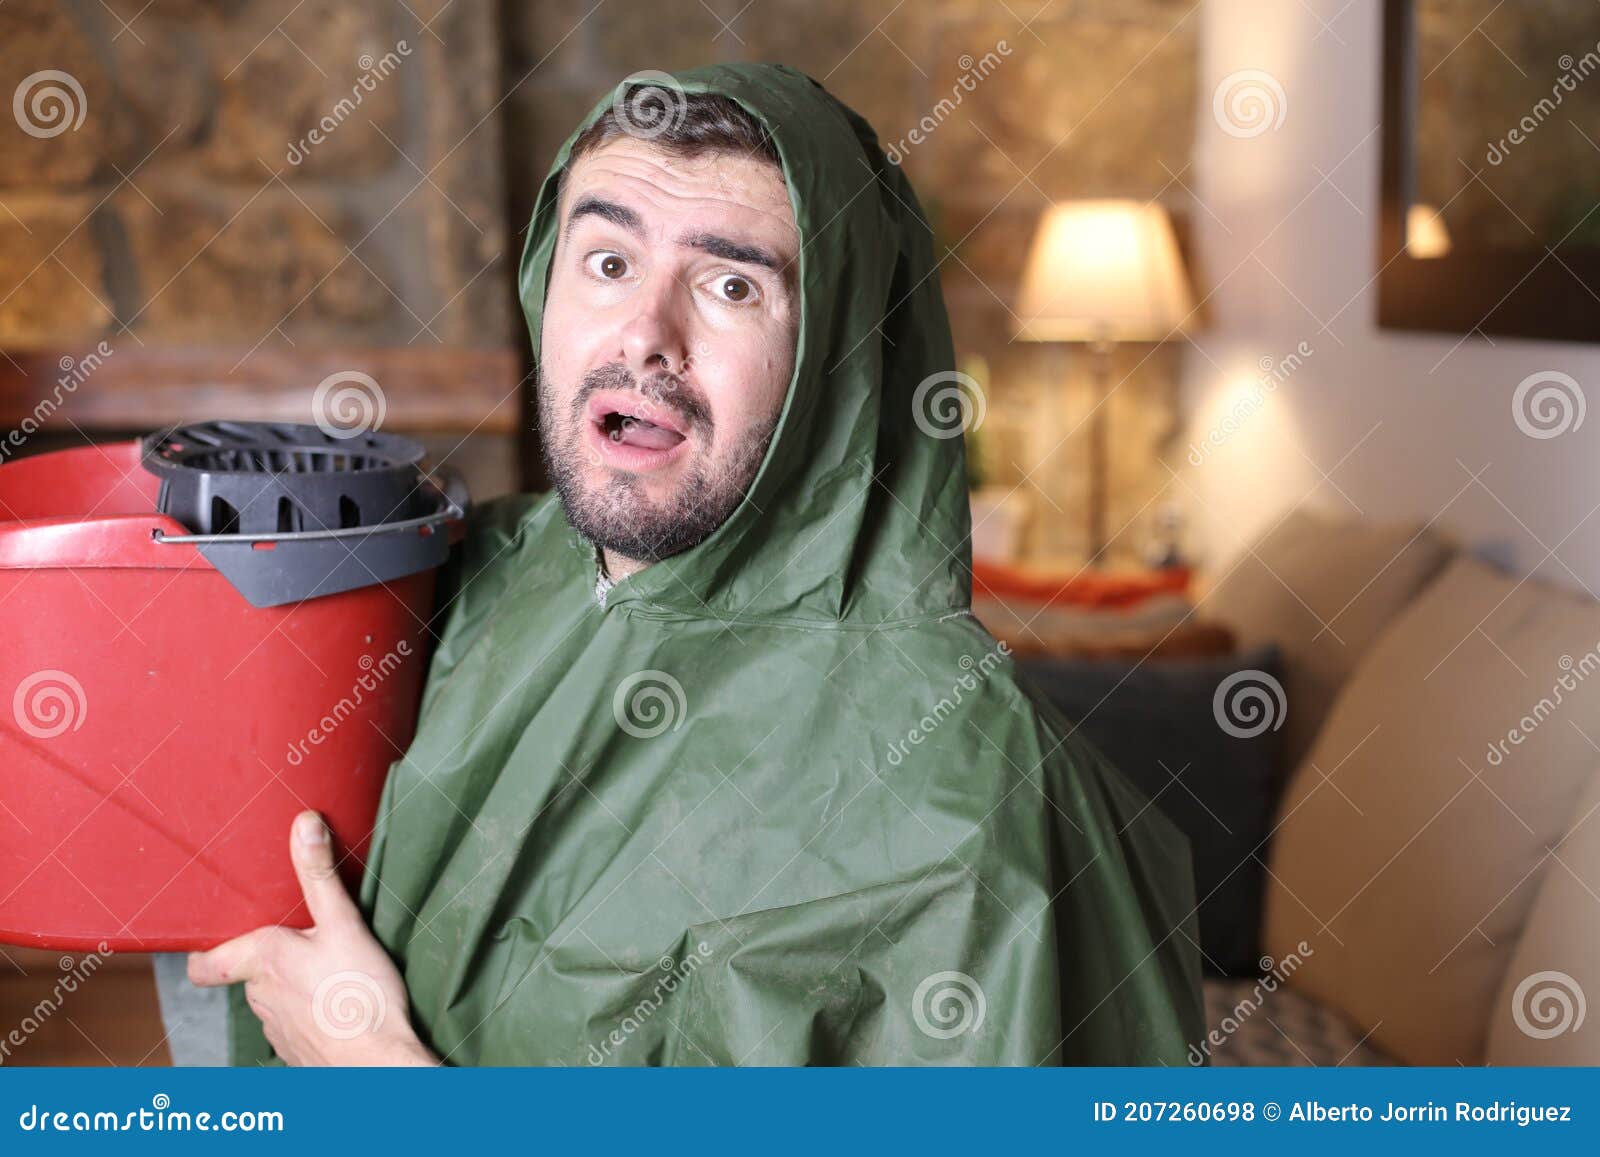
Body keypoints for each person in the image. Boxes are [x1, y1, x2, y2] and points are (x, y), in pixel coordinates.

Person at [188, 61, 1203, 1066]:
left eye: (729, 284)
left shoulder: (965, 802)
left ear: (838, 358)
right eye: (609, 262)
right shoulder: (464, 572)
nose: (644, 335)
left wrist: (370, 1073)